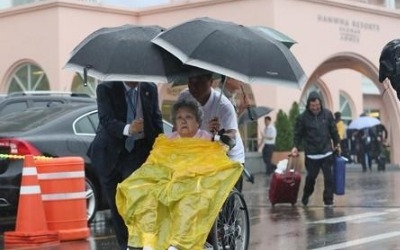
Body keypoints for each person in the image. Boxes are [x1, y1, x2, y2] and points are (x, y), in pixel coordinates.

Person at [116, 99, 242, 250]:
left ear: (197, 122)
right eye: (179, 118)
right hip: (166, 178)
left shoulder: (207, 139)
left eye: (188, 117)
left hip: (194, 179)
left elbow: (216, 159)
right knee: (142, 193)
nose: (183, 121)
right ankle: (147, 240)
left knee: (188, 199)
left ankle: (180, 243)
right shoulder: (166, 141)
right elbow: (154, 163)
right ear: (175, 122)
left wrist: (220, 137)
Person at [87, 81, 163, 250]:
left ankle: (138, 244)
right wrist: (128, 128)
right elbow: (106, 120)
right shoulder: (106, 88)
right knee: (116, 207)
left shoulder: (149, 89)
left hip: (137, 152)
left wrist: (162, 147)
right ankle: (125, 246)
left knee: (133, 201)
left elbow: (156, 119)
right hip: (109, 154)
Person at [177, 72, 246, 191]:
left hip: (228, 156)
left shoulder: (224, 106)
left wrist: (219, 135)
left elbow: (232, 135)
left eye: (199, 83)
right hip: (201, 153)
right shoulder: (184, 97)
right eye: (191, 83)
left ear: (210, 82)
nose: (194, 88)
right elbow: (176, 128)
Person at [290, 91, 340, 207]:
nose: (315, 108)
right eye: (313, 106)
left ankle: (328, 200)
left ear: (320, 104)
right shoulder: (302, 118)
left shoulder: (327, 115)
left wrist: (337, 143)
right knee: (311, 178)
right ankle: (306, 194)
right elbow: (298, 134)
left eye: (317, 105)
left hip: (326, 152)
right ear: (308, 105)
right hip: (312, 154)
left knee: (329, 178)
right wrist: (295, 147)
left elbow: (334, 131)